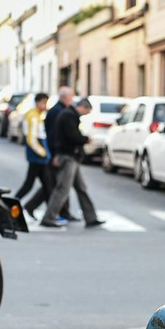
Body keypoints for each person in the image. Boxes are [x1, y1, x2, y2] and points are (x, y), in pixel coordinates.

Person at [41, 87, 102, 229]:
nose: (86, 114)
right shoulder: (68, 115)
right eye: (87, 111)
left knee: (81, 188)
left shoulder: (68, 114)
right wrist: (85, 139)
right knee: (62, 188)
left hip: (69, 156)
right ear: (83, 107)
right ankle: (49, 217)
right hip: (67, 156)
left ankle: (91, 217)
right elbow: (72, 136)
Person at [14, 92, 49, 204]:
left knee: (46, 185)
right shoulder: (33, 116)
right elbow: (32, 139)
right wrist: (43, 153)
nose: (45, 105)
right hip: (37, 157)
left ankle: (19, 204)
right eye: (44, 102)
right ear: (38, 102)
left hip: (38, 157)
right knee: (32, 184)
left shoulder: (36, 115)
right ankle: (13, 203)